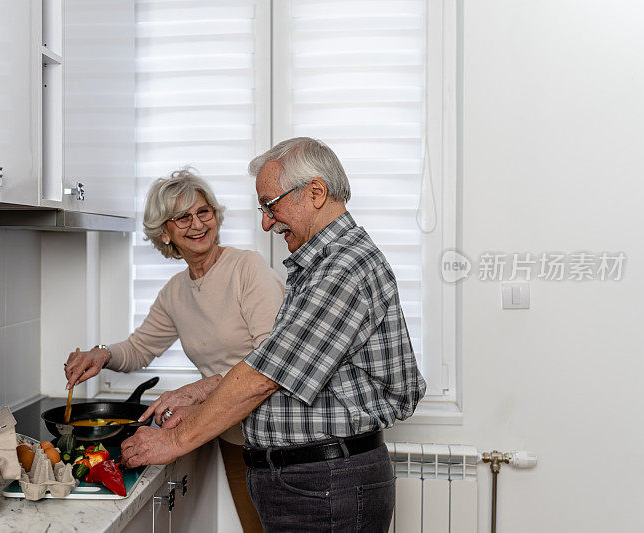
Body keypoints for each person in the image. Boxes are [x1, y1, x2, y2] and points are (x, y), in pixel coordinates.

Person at [121, 138, 426, 533]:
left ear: (315, 192)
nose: (266, 221)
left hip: (326, 483)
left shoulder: (341, 269)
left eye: (271, 204)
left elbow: (264, 376)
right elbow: (280, 370)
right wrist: (196, 401)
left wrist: (175, 440)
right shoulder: (320, 266)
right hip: (312, 481)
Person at [64, 168, 283, 533]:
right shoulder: (176, 292)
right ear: (165, 233)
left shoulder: (247, 269)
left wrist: (197, 391)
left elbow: (273, 358)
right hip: (232, 436)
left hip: (279, 438)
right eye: (183, 217)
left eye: (204, 212)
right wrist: (100, 354)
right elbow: (139, 348)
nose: (198, 224)